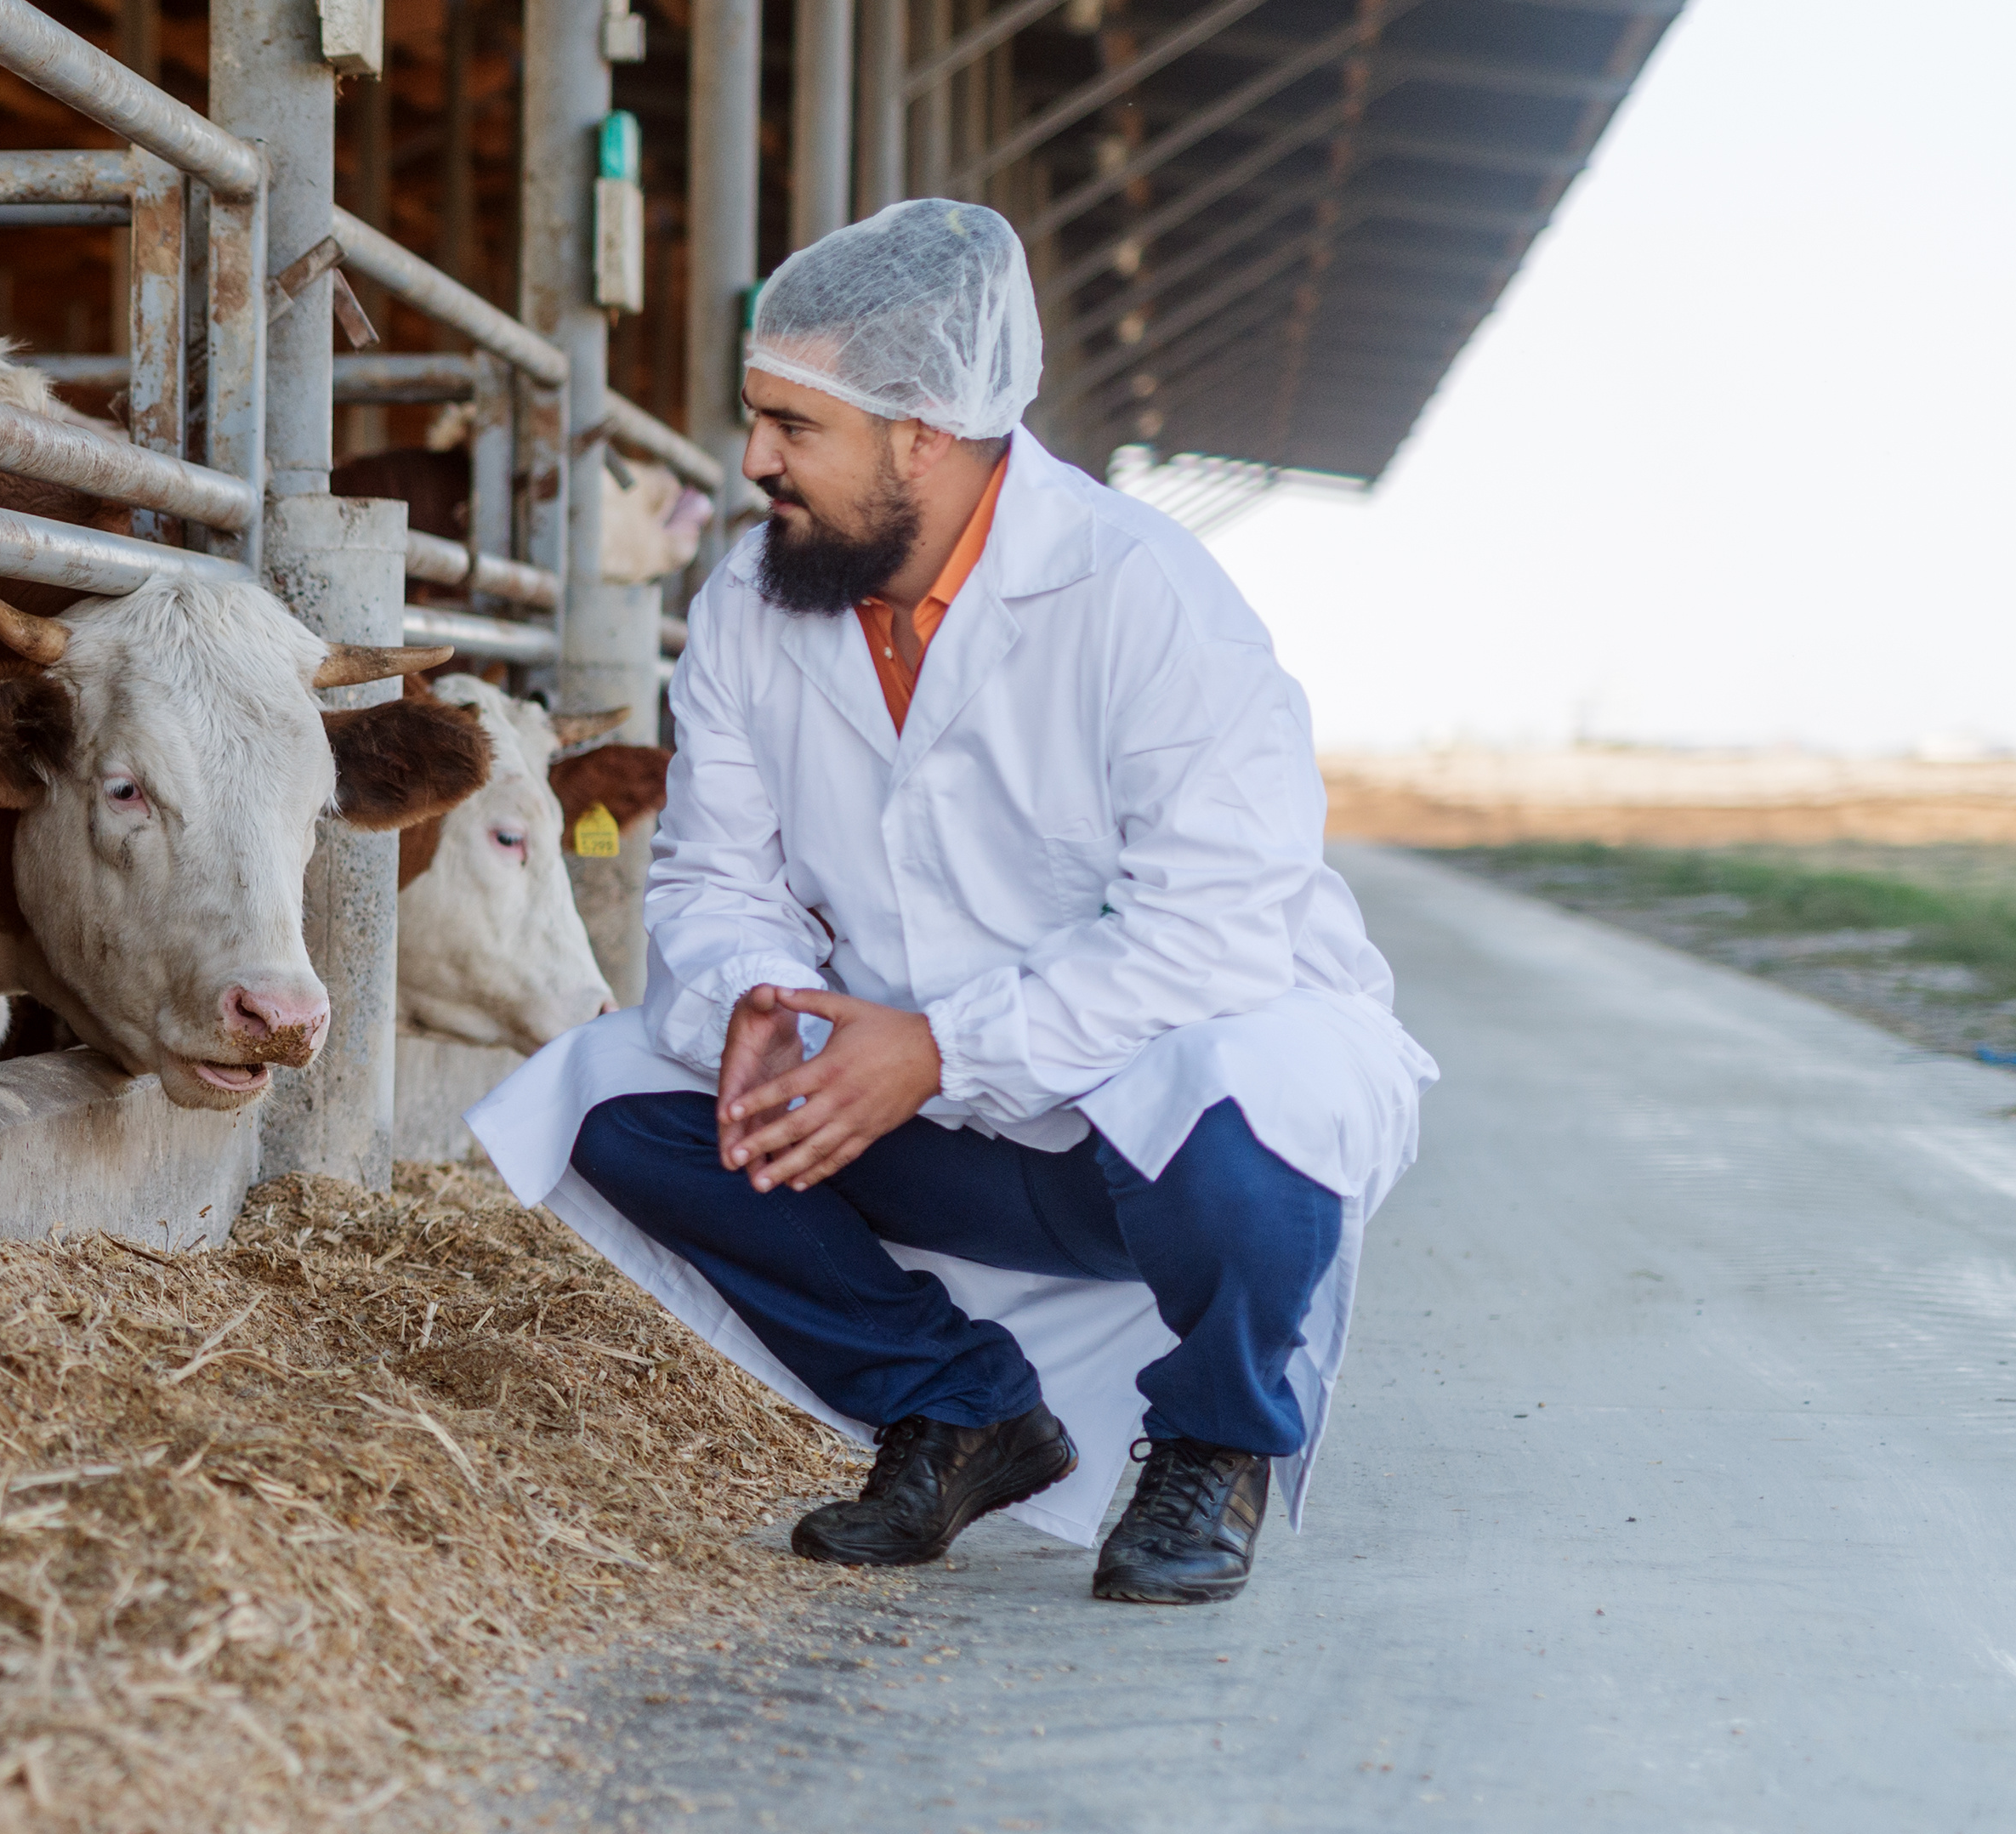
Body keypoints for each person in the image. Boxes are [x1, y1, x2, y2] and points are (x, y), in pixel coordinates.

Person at [471, 200, 1433, 1605]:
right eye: (758, 418)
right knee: (606, 1094)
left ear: (921, 431)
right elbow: (713, 875)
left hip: (1145, 1133)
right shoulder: (750, 604)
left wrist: (938, 1049)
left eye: (793, 426)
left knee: (1265, 1081)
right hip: (919, 1115)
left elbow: (1212, 932)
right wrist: (757, 997)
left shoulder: (1146, 597)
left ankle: (1213, 1442)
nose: (753, 461)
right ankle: (959, 1401)